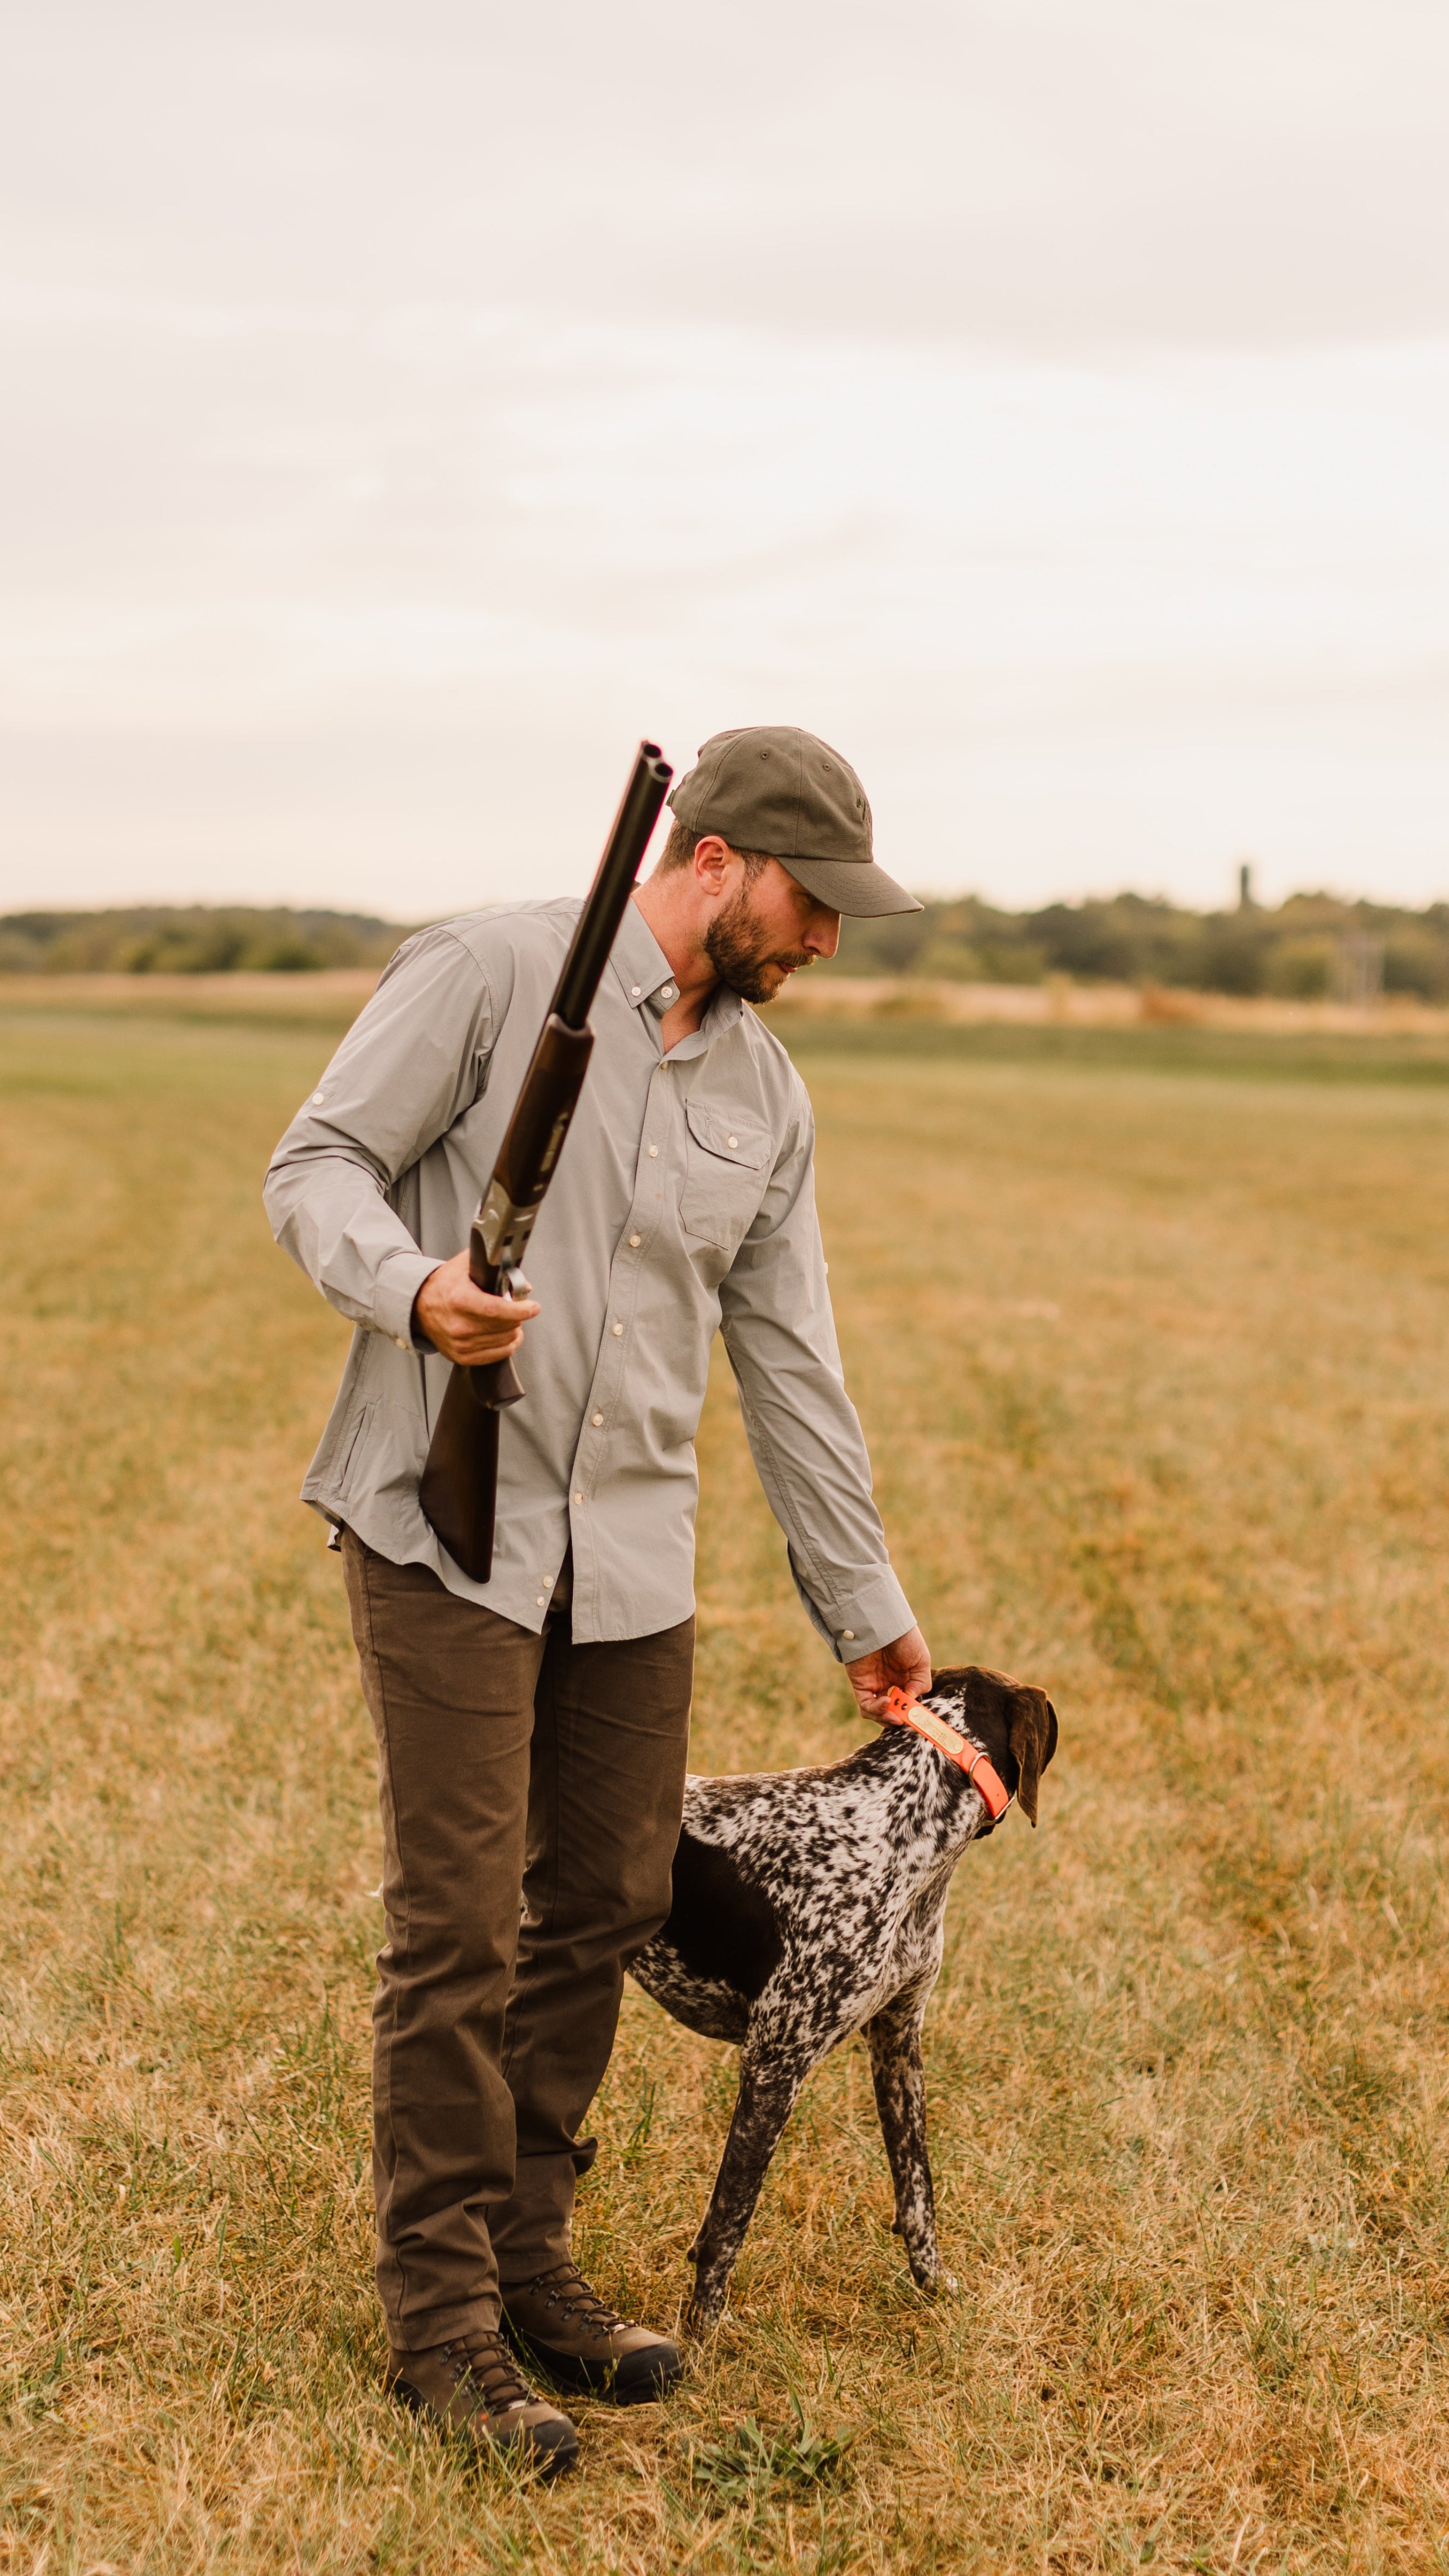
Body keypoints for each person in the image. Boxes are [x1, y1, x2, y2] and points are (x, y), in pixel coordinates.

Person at [263, 724, 932, 2476]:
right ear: (710, 857)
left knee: (611, 1896)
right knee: (462, 1918)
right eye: (810, 902)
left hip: (630, 1555)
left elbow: (789, 1364)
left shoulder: (766, 1096)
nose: (825, 944)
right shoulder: (487, 972)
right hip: (441, 1525)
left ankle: (526, 2255)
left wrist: (861, 1600)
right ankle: (439, 2322)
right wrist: (413, 1290)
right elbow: (313, 1165)